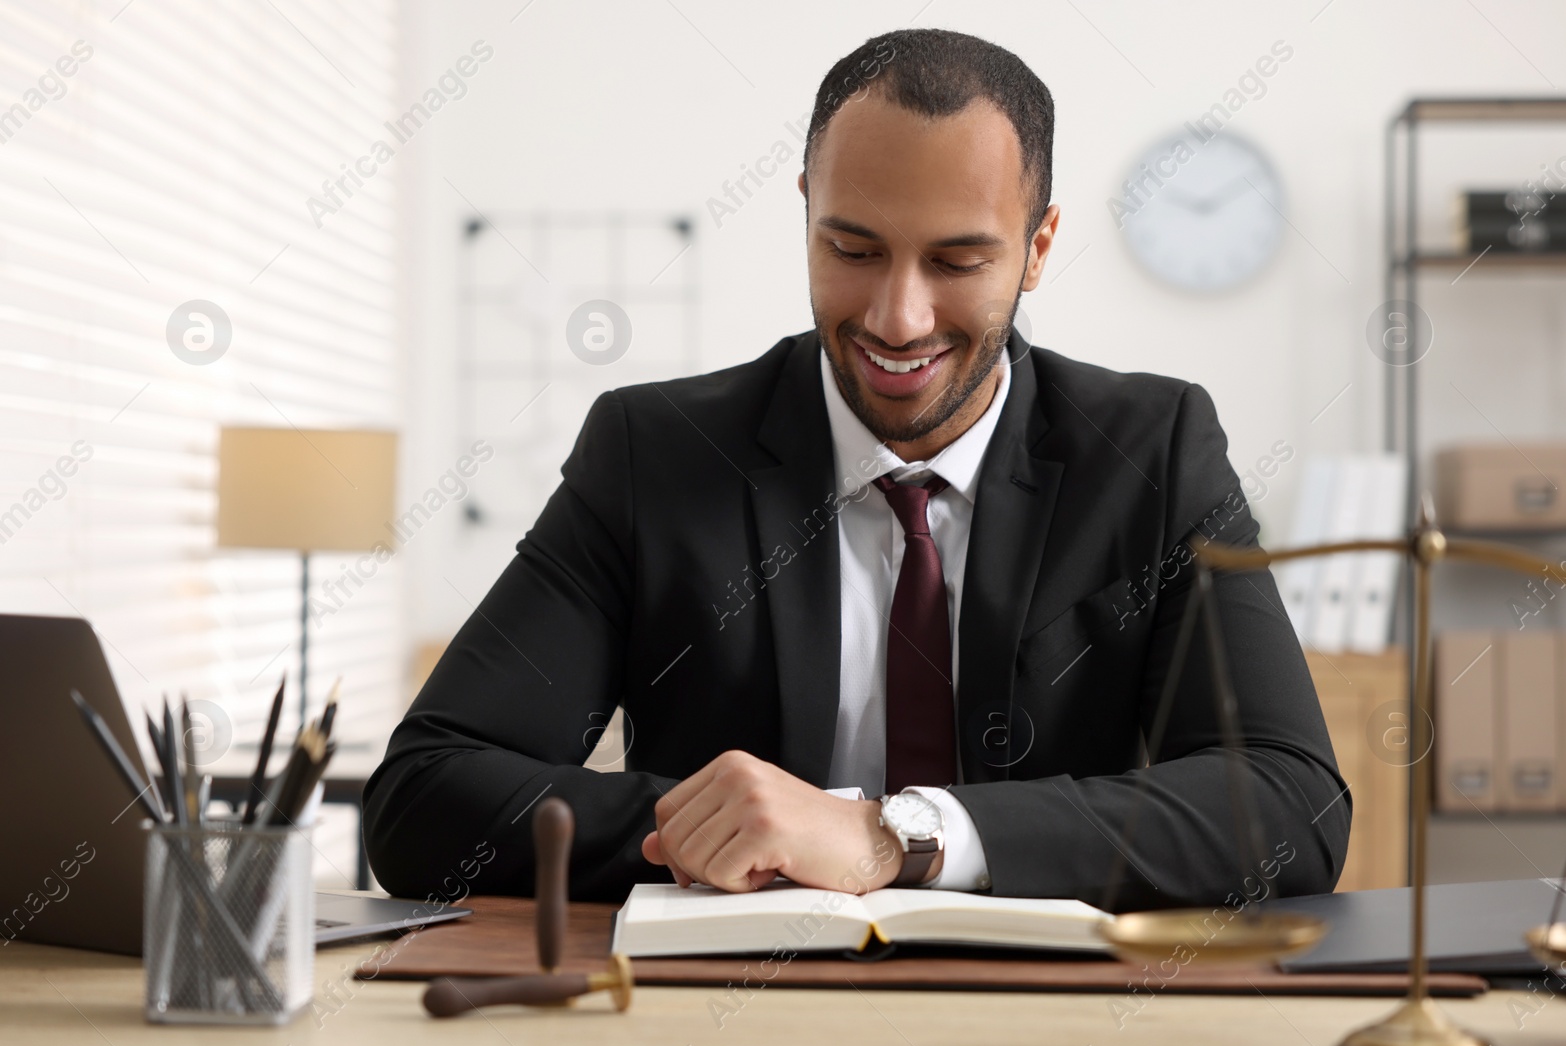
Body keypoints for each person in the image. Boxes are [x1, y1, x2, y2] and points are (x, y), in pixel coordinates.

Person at [363, 28, 1350, 910]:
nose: (897, 317)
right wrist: (736, 829)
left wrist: (894, 837)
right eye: (853, 247)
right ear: (806, 212)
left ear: (1038, 247)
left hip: (1045, 1024)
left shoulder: (1152, 449)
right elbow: (423, 797)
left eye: (958, 262)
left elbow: (1289, 802)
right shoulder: (652, 454)